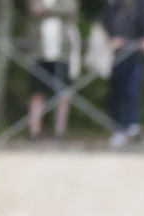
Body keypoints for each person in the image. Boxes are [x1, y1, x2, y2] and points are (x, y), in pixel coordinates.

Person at [27, 0, 81, 138]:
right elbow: (32, 8)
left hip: (62, 54)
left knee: (62, 92)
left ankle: (60, 131)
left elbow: (69, 8)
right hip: (40, 53)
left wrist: (44, 9)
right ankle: (35, 130)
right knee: (37, 92)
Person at [102, 0, 144, 144]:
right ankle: (118, 128)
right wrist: (112, 39)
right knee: (117, 91)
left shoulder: (142, 6)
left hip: (135, 54)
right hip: (116, 55)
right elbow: (106, 23)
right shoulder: (113, 6)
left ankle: (132, 125)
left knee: (133, 90)